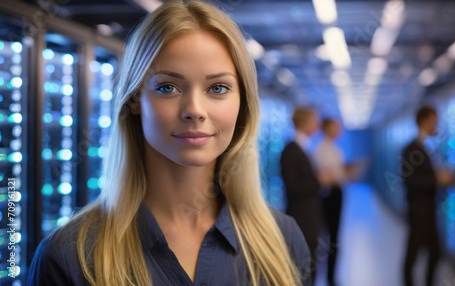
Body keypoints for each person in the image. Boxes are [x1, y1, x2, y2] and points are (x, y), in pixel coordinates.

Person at [28, 2, 311, 285]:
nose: (195, 110)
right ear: (135, 99)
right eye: (168, 87)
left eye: (218, 88)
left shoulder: (283, 242)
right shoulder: (69, 257)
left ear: (243, 103)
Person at [402, 106, 453, 286]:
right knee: (413, 252)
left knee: (434, 252)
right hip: (418, 209)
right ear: (423, 121)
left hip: (428, 208)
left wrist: (438, 177)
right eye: (433, 120)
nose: (436, 125)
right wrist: (436, 178)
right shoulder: (410, 149)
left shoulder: (427, 146)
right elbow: (409, 180)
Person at [280, 107, 322, 282]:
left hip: (308, 216)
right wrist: (319, 181)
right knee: (302, 264)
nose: (317, 125)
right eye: (314, 121)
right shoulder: (291, 150)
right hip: (300, 217)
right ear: (304, 123)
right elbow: (293, 187)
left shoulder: (303, 148)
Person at [312, 118, 347, 286]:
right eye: (336, 127)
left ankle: (331, 276)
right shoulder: (322, 149)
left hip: (337, 192)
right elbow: (326, 175)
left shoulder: (334, 148)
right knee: (330, 236)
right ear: (327, 129)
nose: (339, 130)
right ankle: (328, 277)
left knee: (335, 235)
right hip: (329, 195)